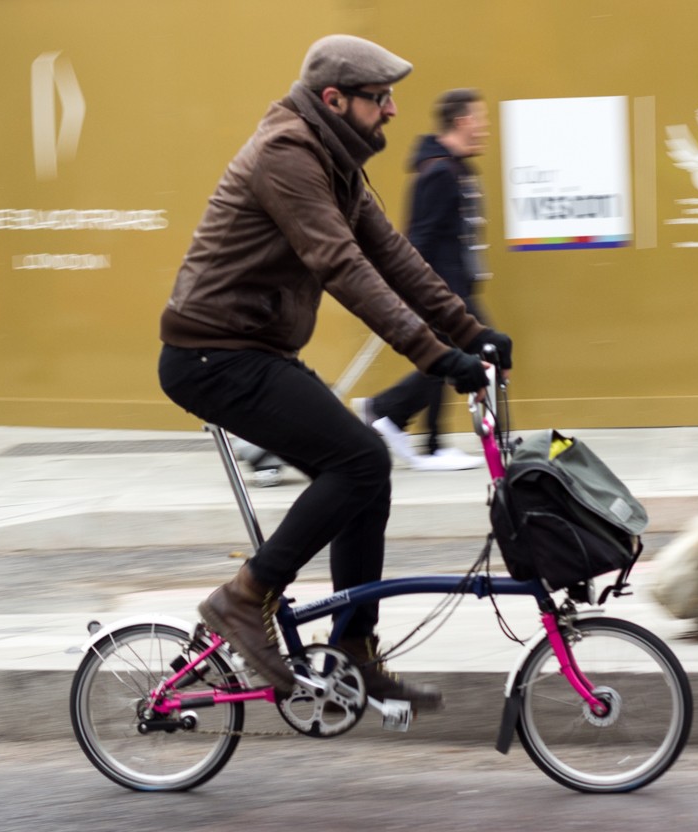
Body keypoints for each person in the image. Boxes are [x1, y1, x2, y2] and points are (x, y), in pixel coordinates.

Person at [156, 34, 512, 708]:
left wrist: (472, 332)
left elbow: (395, 257)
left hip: (252, 352)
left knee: (364, 467)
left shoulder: (338, 160)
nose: (393, 110)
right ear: (334, 99)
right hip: (212, 355)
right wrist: (435, 356)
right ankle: (245, 597)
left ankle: (353, 649)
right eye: (380, 98)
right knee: (357, 461)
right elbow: (342, 266)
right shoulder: (287, 154)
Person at [355, 89, 494, 471]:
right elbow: (419, 239)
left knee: (455, 359)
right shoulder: (439, 174)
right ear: (462, 122)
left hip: (456, 288)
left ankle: (424, 436)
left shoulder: (459, 169)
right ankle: (392, 415)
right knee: (469, 356)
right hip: (442, 290)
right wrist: (423, 294)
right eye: (480, 119)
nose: (484, 128)